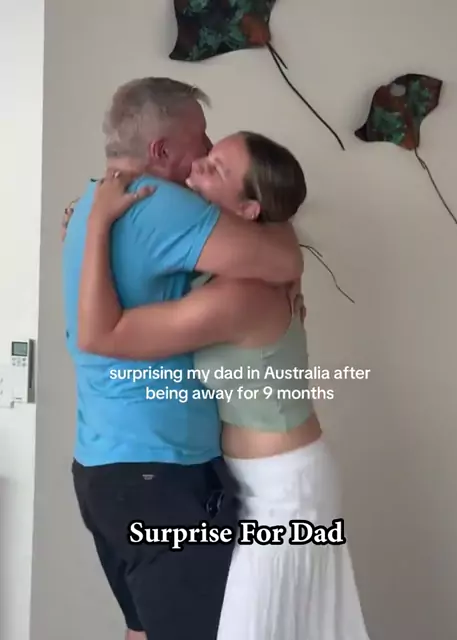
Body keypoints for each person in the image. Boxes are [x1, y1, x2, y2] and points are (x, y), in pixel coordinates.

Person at [73, 130, 371, 640]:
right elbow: (281, 232)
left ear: (249, 209)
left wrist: (96, 224)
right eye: (208, 156)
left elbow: (103, 335)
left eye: (216, 169)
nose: (197, 167)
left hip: (286, 490)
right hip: (250, 479)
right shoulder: (236, 265)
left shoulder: (241, 295)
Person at [62, 77, 303, 640]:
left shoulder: (97, 198)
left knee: (143, 629)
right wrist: (279, 230)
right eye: (201, 138)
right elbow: (281, 259)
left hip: (102, 469)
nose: (207, 147)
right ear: (161, 150)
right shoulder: (161, 204)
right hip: (161, 472)